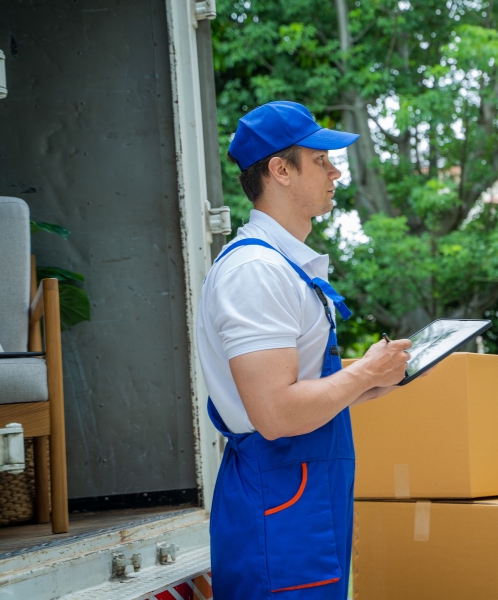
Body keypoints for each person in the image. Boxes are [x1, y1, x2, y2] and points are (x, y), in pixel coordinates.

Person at [196, 101, 411, 598]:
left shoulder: (285, 266)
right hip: (280, 498)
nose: (336, 172)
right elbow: (275, 413)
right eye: (321, 159)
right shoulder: (255, 272)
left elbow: (305, 389)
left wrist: (381, 376)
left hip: (303, 494)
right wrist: (364, 374)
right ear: (280, 171)